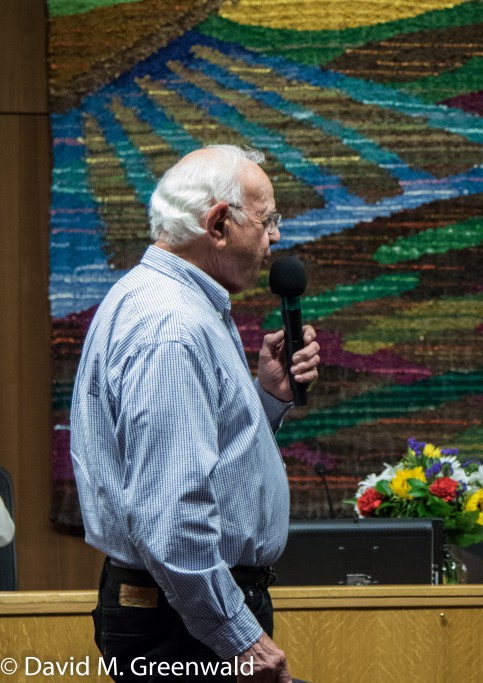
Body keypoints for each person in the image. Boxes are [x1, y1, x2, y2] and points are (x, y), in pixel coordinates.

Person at [70, 144, 321, 682]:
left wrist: (268, 398)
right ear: (217, 224)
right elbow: (172, 513)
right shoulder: (172, 325)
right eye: (267, 219)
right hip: (183, 624)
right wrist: (239, 639)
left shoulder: (169, 302)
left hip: (182, 614)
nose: (275, 236)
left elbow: (210, 459)